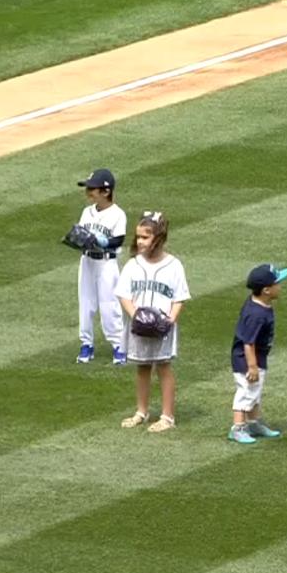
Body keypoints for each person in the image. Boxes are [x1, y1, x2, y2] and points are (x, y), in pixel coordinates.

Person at [114, 211, 191, 432]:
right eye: (138, 236)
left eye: (145, 237)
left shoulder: (174, 265)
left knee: (163, 366)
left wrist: (169, 321)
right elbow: (123, 294)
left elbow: (180, 297)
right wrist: (136, 315)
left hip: (162, 328)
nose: (140, 241)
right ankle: (142, 411)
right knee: (142, 366)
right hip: (138, 328)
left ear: (159, 238)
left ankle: (167, 416)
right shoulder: (133, 265)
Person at [228, 264, 287, 444]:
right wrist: (252, 366)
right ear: (267, 290)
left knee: (255, 392)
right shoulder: (256, 314)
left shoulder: (261, 304)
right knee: (246, 391)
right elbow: (248, 342)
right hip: (247, 360)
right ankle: (237, 428)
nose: (281, 286)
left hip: (257, 357)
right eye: (278, 283)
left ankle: (253, 423)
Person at [74, 168, 127, 365]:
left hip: (106, 263)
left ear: (106, 191)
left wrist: (104, 241)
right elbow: (81, 234)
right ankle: (86, 344)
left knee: (109, 304)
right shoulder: (86, 212)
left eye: (92, 189)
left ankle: (118, 345)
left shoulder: (117, 214)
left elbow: (119, 240)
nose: (88, 192)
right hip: (87, 261)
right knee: (86, 304)